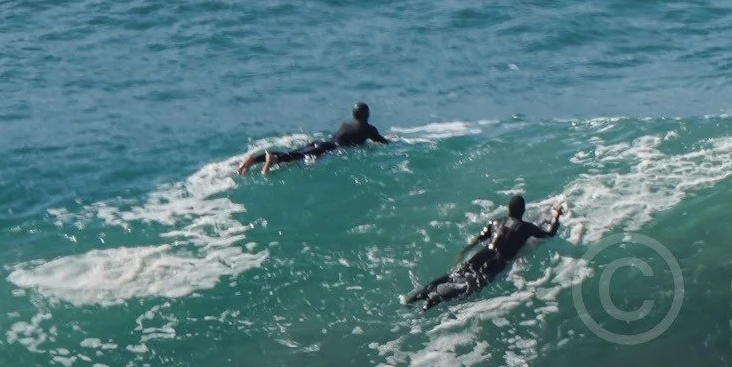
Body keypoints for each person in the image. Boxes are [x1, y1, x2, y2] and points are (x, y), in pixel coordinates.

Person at [407, 194, 565, 311]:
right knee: (469, 286)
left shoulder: (495, 222)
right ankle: (433, 301)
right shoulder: (526, 227)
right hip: (498, 260)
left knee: (454, 275)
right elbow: (549, 234)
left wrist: (465, 251)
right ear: (522, 210)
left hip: (483, 253)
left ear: (508, 209)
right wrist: (556, 217)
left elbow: (480, 238)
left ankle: (418, 296)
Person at [237, 103, 390, 174]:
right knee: (297, 157)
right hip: (330, 148)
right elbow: (382, 142)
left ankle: (255, 159)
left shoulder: (345, 124)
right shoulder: (368, 128)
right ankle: (273, 160)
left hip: (322, 143)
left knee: (296, 152)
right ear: (367, 115)